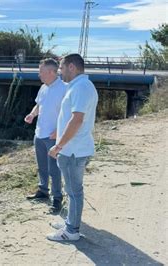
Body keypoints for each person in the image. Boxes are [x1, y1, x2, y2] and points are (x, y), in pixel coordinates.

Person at [47, 53, 98, 241]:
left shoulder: (81, 87)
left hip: (73, 150)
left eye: (61, 67)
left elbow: (76, 120)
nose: (59, 72)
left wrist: (58, 145)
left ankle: (71, 231)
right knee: (72, 189)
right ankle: (71, 221)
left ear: (71, 67)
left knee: (74, 191)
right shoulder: (79, 86)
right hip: (73, 148)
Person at [24, 58, 67, 212]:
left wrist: (58, 131)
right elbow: (39, 105)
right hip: (39, 134)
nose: (39, 74)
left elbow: (69, 113)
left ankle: (57, 198)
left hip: (54, 136)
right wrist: (32, 114)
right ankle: (43, 191)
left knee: (54, 169)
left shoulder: (64, 88)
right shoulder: (43, 87)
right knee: (42, 166)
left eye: (41, 71)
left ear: (50, 72)